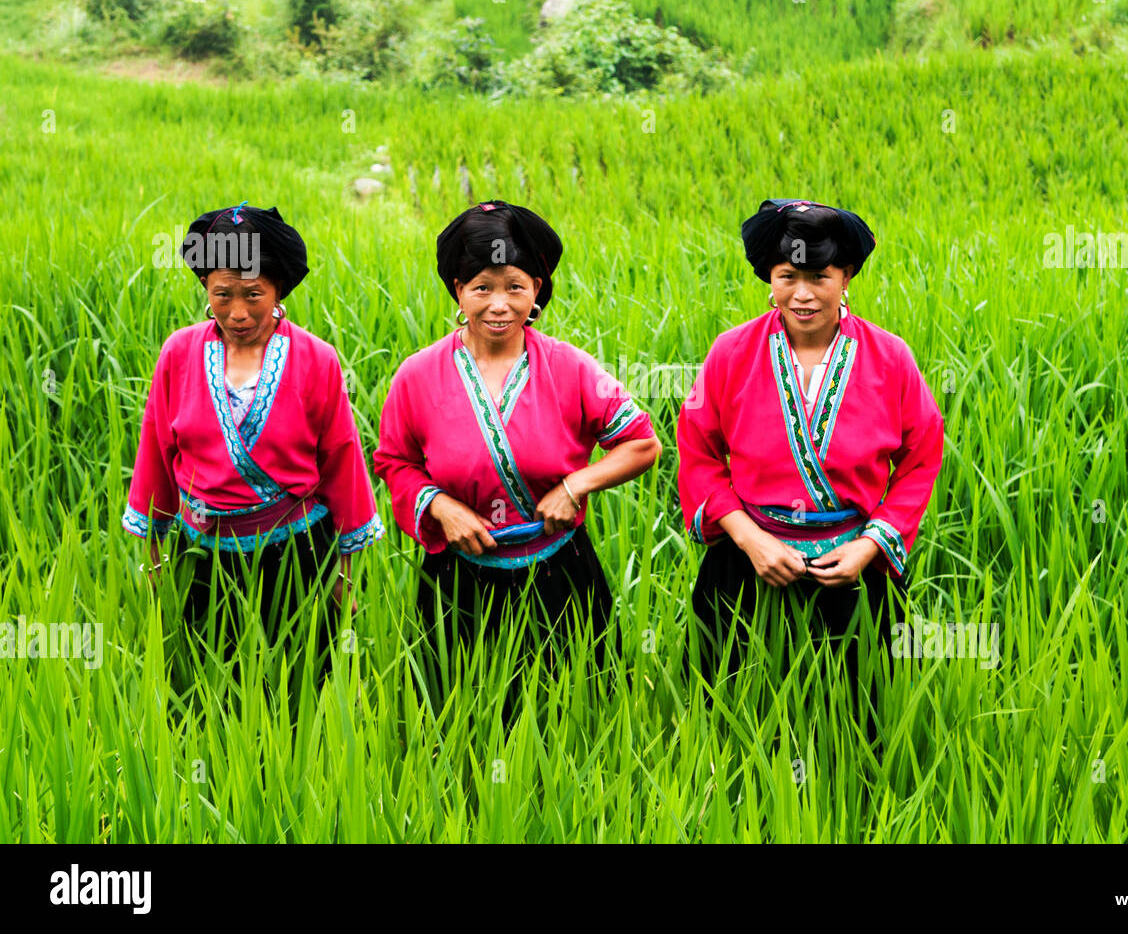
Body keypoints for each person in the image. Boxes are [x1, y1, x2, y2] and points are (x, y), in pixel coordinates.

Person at [677, 198, 944, 734]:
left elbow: (921, 457)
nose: (803, 293)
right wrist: (752, 541)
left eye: (820, 276)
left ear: (846, 276)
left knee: (860, 724)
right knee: (731, 719)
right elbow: (699, 452)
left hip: (852, 568)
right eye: (787, 276)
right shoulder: (730, 353)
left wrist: (869, 547)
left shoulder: (890, 358)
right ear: (768, 279)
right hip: (749, 563)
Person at [374, 201, 661, 672]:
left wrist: (576, 486)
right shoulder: (417, 375)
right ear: (458, 290)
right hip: (459, 578)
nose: (499, 304)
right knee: (455, 715)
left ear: (536, 290)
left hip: (560, 574)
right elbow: (394, 461)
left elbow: (642, 443)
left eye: (515, 287)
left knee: (574, 714)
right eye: (482, 287)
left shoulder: (570, 367)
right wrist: (440, 507)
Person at [122, 202, 384, 664]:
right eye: (223, 295)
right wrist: (157, 555)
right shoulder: (179, 353)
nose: (237, 312)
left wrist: (343, 575)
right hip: (202, 555)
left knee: (302, 681)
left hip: (297, 555)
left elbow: (342, 460)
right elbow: (157, 452)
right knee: (211, 687)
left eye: (253, 294)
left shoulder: (316, 359)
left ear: (278, 288)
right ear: (205, 286)